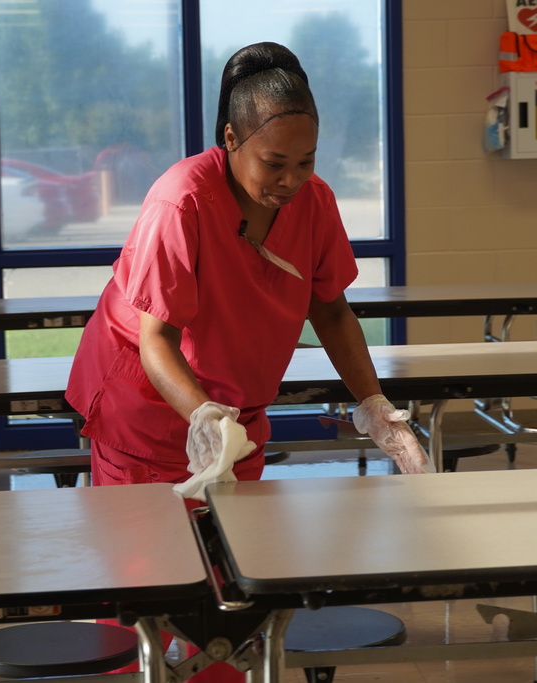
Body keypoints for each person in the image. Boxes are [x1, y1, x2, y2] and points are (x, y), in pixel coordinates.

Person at [65, 41, 432, 681]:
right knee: (143, 593)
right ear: (231, 139)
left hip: (234, 420)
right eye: (274, 163)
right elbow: (155, 339)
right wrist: (202, 415)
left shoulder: (312, 203)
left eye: (307, 162)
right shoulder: (180, 201)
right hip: (146, 411)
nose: (291, 179)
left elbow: (333, 311)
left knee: (232, 589)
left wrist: (377, 408)